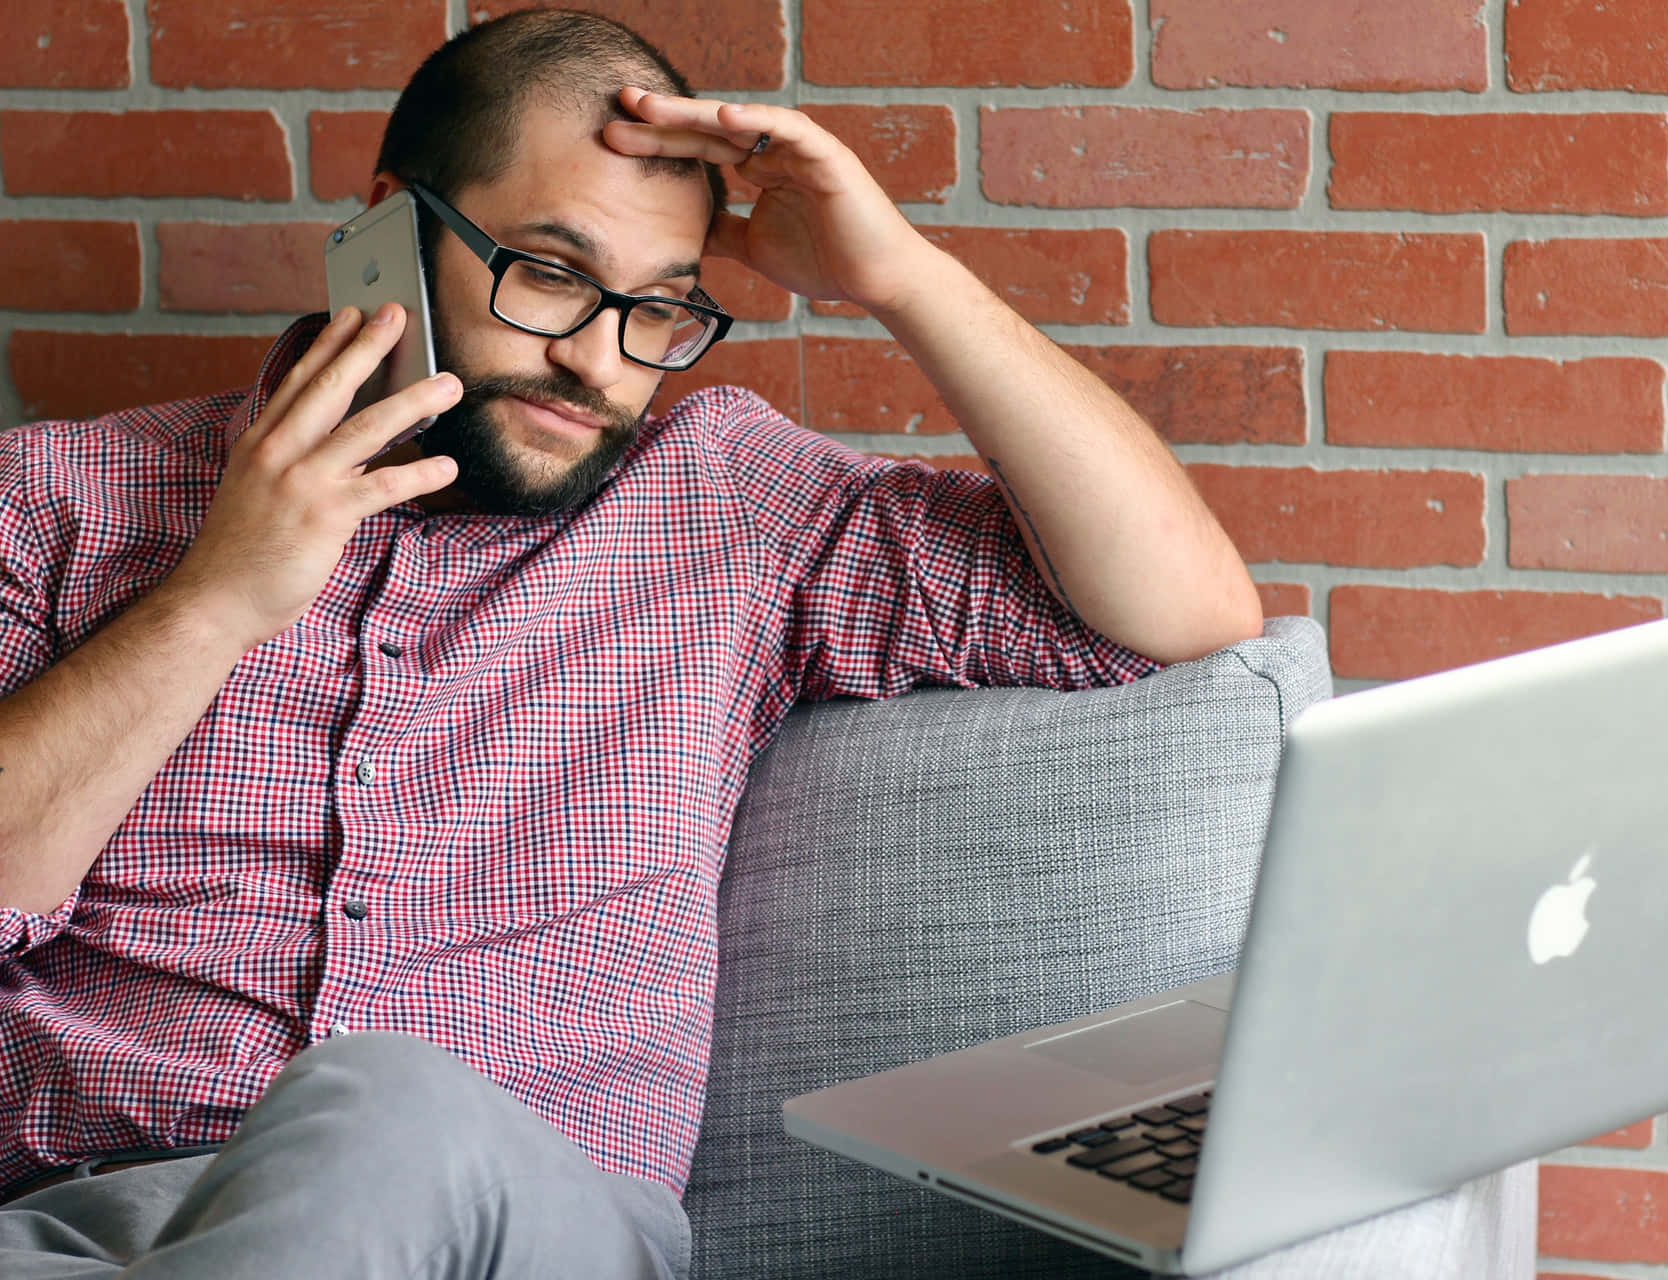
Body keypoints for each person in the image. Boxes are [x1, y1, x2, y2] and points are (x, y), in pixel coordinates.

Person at [0, 9, 1261, 1277]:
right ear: (391, 227)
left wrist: (902, 276)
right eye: (548, 273)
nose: (598, 362)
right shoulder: (60, 500)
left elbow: (1182, 612)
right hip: (66, 1224)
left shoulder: (730, 507)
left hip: (517, 1225)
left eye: (658, 310)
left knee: (381, 1105)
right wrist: (214, 600)